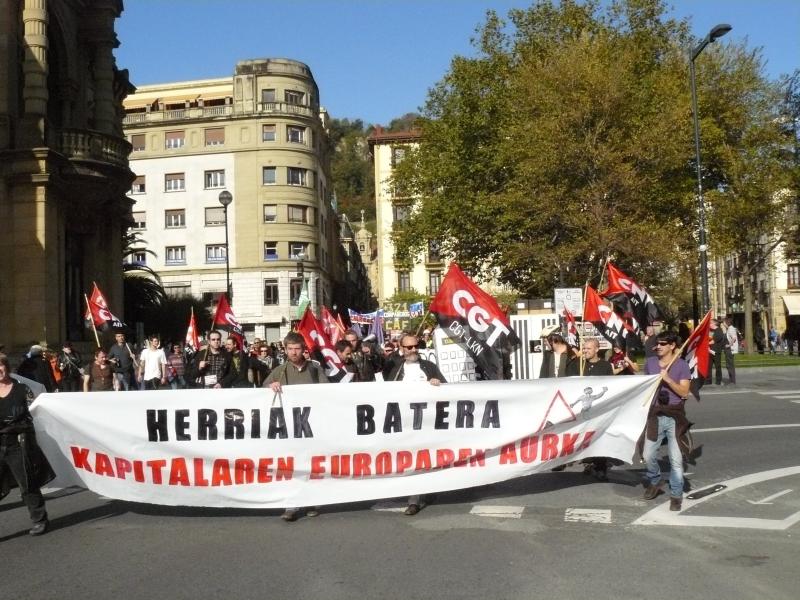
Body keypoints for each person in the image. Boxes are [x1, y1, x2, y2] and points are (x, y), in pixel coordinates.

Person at [264, 332, 329, 521]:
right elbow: (263, 389)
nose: (294, 352)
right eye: (290, 349)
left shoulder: (314, 369)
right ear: (285, 350)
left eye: (297, 348)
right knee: (290, 466)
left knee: (310, 464)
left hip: (310, 426)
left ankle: (311, 502)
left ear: (304, 350)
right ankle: (291, 505)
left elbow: (328, 390)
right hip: (288, 427)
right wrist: (271, 386)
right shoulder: (280, 370)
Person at [385, 333, 445, 515]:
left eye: (415, 346)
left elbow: (447, 391)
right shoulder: (395, 369)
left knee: (420, 458)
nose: (413, 350)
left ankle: (415, 499)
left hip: (425, 423)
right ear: (401, 349)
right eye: (409, 347)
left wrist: (437, 383)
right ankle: (415, 493)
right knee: (407, 459)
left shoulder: (429, 367)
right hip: (403, 423)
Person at [0, 354, 54, 535]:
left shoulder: (22, 389)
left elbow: (33, 416)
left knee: (27, 484)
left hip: (17, 443)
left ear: (6, 367)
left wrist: (15, 426)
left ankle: (40, 520)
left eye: (0, 366)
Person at [642, 331, 692, 512]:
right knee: (647, 455)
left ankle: (676, 494)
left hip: (674, 417)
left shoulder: (681, 365)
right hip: (655, 415)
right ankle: (655, 480)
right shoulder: (650, 363)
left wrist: (668, 379)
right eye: (657, 343)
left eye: (663, 343)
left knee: (676, 460)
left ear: (672, 346)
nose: (659, 347)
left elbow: (685, 392)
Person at [566, 338, 613, 479]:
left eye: (588, 348)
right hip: (583, 410)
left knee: (598, 436)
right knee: (583, 435)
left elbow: (610, 386)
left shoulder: (605, 366)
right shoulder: (579, 364)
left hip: (598, 410)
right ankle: (587, 462)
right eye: (584, 348)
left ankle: (600, 466)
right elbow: (568, 381)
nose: (585, 351)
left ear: (597, 349)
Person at [707, 319, 726, 385]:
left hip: (716, 351)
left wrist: (706, 344)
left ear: (714, 323)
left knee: (717, 366)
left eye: (710, 323)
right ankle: (708, 380)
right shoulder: (710, 331)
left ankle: (718, 381)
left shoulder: (719, 331)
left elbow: (713, 341)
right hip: (709, 351)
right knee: (708, 366)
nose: (709, 324)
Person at [723, 317, 738, 385]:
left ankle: (732, 380)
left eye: (724, 323)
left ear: (727, 323)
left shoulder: (731, 329)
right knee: (729, 364)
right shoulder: (729, 328)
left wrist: (729, 345)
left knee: (730, 365)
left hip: (730, 349)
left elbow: (734, 338)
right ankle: (731, 379)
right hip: (729, 349)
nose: (723, 324)